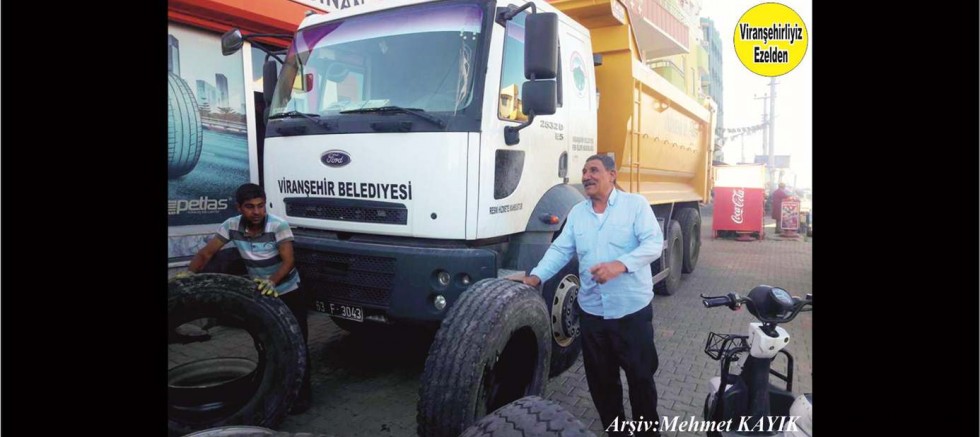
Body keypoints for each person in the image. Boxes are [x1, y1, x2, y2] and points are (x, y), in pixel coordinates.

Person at [521, 154, 665, 437]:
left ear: (612, 175)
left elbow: (653, 244)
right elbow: (561, 249)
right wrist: (536, 276)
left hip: (631, 313)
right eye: (584, 171)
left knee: (640, 379)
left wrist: (619, 265)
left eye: (594, 170)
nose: (587, 176)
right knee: (602, 383)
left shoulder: (635, 205)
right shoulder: (577, 213)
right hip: (593, 315)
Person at [178, 183, 312, 414]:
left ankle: (302, 396)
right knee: (266, 344)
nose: (257, 212)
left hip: (288, 292)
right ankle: (271, 390)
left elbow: (289, 261)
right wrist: (189, 274)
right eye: (250, 207)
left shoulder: (278, 225)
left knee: (297, 345)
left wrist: (272, 281)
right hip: (260, 295)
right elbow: (206, 253)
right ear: (239, 207)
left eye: (260, 205)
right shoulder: (231, 225)